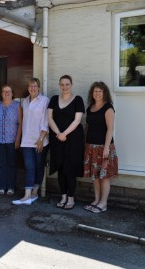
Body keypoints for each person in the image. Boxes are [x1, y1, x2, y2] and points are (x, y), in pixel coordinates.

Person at [48, 75, 85, 210]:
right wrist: (58, 133)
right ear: (59, 85)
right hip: (57, 139)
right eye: (62, 84)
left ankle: (71, 198)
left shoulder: (78, 100)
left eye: (67, 84)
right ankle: (63, 196)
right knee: (61, 168)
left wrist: (64, 133)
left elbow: (77, 120)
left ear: (71, 84)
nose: (64, 87)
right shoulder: (53, 99)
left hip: (73, 139)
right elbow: (49, 118)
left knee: (70, 169)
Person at [12, 78, 49, 205]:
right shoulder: (25, 101)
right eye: (30, 86)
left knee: (39, 165)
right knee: (29, 166)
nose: (32, 88)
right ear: (28, 88)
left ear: (39, 87)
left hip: (39, 140)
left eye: (34, 86)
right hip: (27, 140)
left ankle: (34, 192)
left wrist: (41, 139)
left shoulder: (44, 100)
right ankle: (27, 196)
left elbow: (46, 121)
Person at [83, 82, 118, 213]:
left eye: (100, 91)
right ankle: (96, 200)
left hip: (104, 147)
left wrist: (106, 148)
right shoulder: (90, 108)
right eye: (95, 91)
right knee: (95, 176)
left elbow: (110, 129)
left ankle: (103, 203)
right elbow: (88, 127)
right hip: (91, 147)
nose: (97, 93)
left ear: (104, 93)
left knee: (104, 176)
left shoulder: (108, 108)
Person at [0, 84, 22, 196]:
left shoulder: (17, 106)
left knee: (12, 164)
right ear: (1, 93)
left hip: (12, 139)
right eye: (4, 91)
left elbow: (20, 123)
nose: (7, 93)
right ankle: (1, 186)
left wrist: (18, 139)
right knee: (1, 163)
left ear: (12, 93)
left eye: (9, 91)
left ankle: (11, 187)